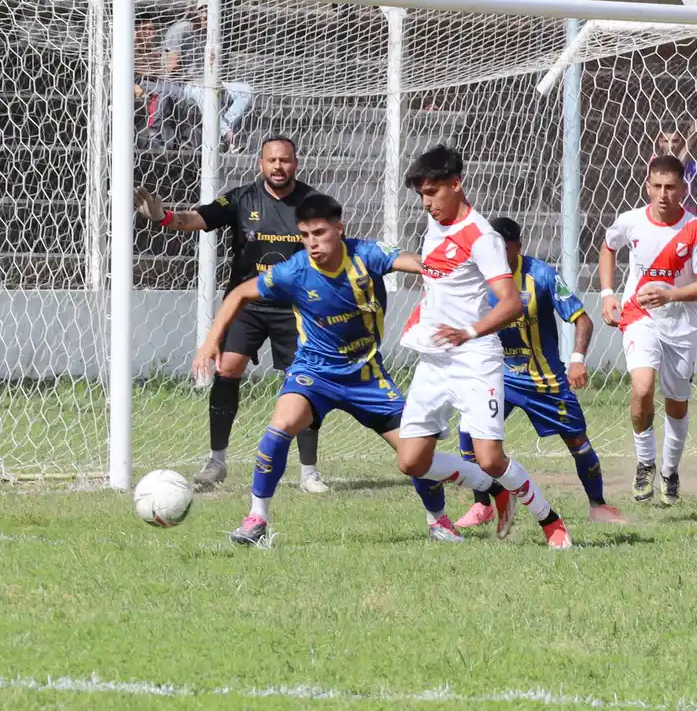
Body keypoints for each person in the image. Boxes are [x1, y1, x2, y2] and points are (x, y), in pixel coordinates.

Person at [191, 194, 513, 546]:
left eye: (319, 233)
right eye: (306, 235)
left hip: (368, 377)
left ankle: (439, 521)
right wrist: (211, 342)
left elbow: (414, 261)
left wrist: (445, 269)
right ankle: (256, 519)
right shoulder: (295, 270)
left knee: (417, 456)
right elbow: (239, 292)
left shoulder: (366, 255)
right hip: (315, 373)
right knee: (279, 426)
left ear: (339, 230)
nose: (312, 243)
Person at [396, 146, 572, 549]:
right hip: (434, 358)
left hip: (475, 358)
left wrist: (469, 332)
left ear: (456, 185)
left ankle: (550, 519)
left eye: (433, 193)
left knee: (491, 457)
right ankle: (493, 491)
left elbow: (511, 303)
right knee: (412, 462)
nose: (427, 203)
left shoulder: (483, 237)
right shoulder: (433, 224)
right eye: (422, 195)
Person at [134, 135, 329, 493]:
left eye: (284, 160)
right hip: (246, 304)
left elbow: (331, 246)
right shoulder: (241, 198)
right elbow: (198, 218)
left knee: (303, 382)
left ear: (295, 163)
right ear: (260, 163)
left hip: (297, 309)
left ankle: (309, 472)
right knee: (227, 368)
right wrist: (163, 217)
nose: (278, 167)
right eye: (271, 160)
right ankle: (217, 460)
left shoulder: (313, 203)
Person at [453, 217, 627, 528]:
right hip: (498, 376)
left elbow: (582, 320)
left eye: (501, 248)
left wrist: (577, 360)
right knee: (467, 436)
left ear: (517, 247)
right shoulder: (477, 278)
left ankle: (597, 505)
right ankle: (482, 505)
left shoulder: (542, 275)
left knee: (578, 443)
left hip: (544, 380)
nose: (491, 254)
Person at [599, 155, 697, 505]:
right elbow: (608, 248)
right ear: (647, 187)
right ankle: (645, 463)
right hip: (639, 316)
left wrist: (670, 294)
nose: (663, 194)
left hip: (681, 324)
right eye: (657, 186)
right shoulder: (631, 221)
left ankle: (669, 471)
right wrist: (607, 294)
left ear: (683, 188)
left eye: (670, 187)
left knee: (677, 405)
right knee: (642, 387)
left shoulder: (695, 229)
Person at [137, 0, 254, 152]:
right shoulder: (181, 30)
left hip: (207, 81)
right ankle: (226, 134)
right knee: (203, 92)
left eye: (211, 12)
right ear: (196, 12)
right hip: (184, 84)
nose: (206, 16)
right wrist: (194, 79)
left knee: (245, 91)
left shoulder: (212, 34)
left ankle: (221, 128)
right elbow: (170, 67)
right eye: (203, 11)